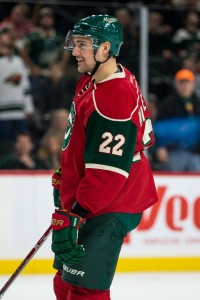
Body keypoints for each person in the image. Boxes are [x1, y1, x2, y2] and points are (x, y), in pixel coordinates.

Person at [50, 14, 158, 300]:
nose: (74, 51)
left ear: (106, 49)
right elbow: (83, 140)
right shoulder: (92, 79)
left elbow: (108, 171)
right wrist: (67, 174)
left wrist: (77, 212)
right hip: (94, 195)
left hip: (110, 202)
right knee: (64, 281)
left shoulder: (114, 95)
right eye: (75, 43)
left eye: (82, 44)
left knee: (86, 291)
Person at [153, 68, 200, 171]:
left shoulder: (198, 103)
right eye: (181, 82)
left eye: (187, 82)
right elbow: (157, 129)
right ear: (176, 84)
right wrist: (160, 147)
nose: (185, 86)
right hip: (174, 152)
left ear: (193, 84)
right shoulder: (167, 104)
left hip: (196, 152)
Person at [0, 21, 34, 155]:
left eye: (11, 33)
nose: (9, 36)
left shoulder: (18, 61)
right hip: (1, 115)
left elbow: (25, 86)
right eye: (5, 33)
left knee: (22, 148)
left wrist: (29, 107)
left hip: (19, 114)